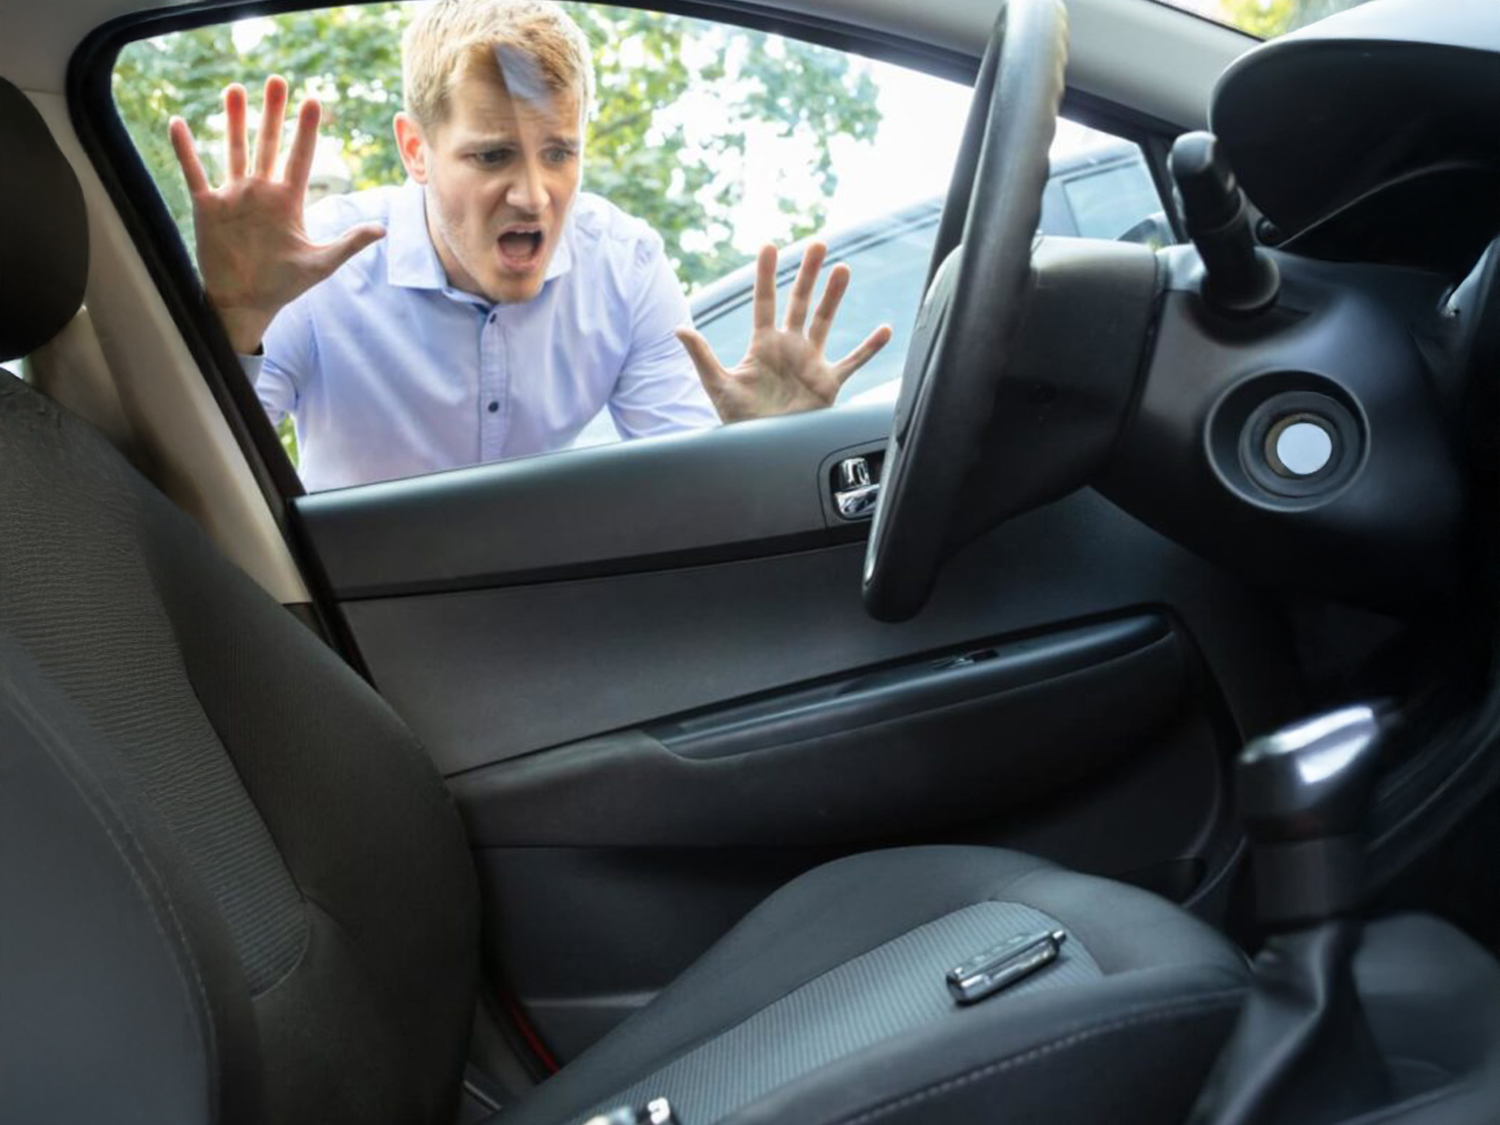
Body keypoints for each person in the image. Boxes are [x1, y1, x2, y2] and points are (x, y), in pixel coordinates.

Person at [168, 0, 893, 491]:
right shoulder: (317, 265)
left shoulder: (624, 266)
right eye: (493, 157)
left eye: (558, 153)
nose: (534, 195)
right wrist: (237, 318)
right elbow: (216, 488)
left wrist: (761, 450)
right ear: (416, 151)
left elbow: (691, 490)